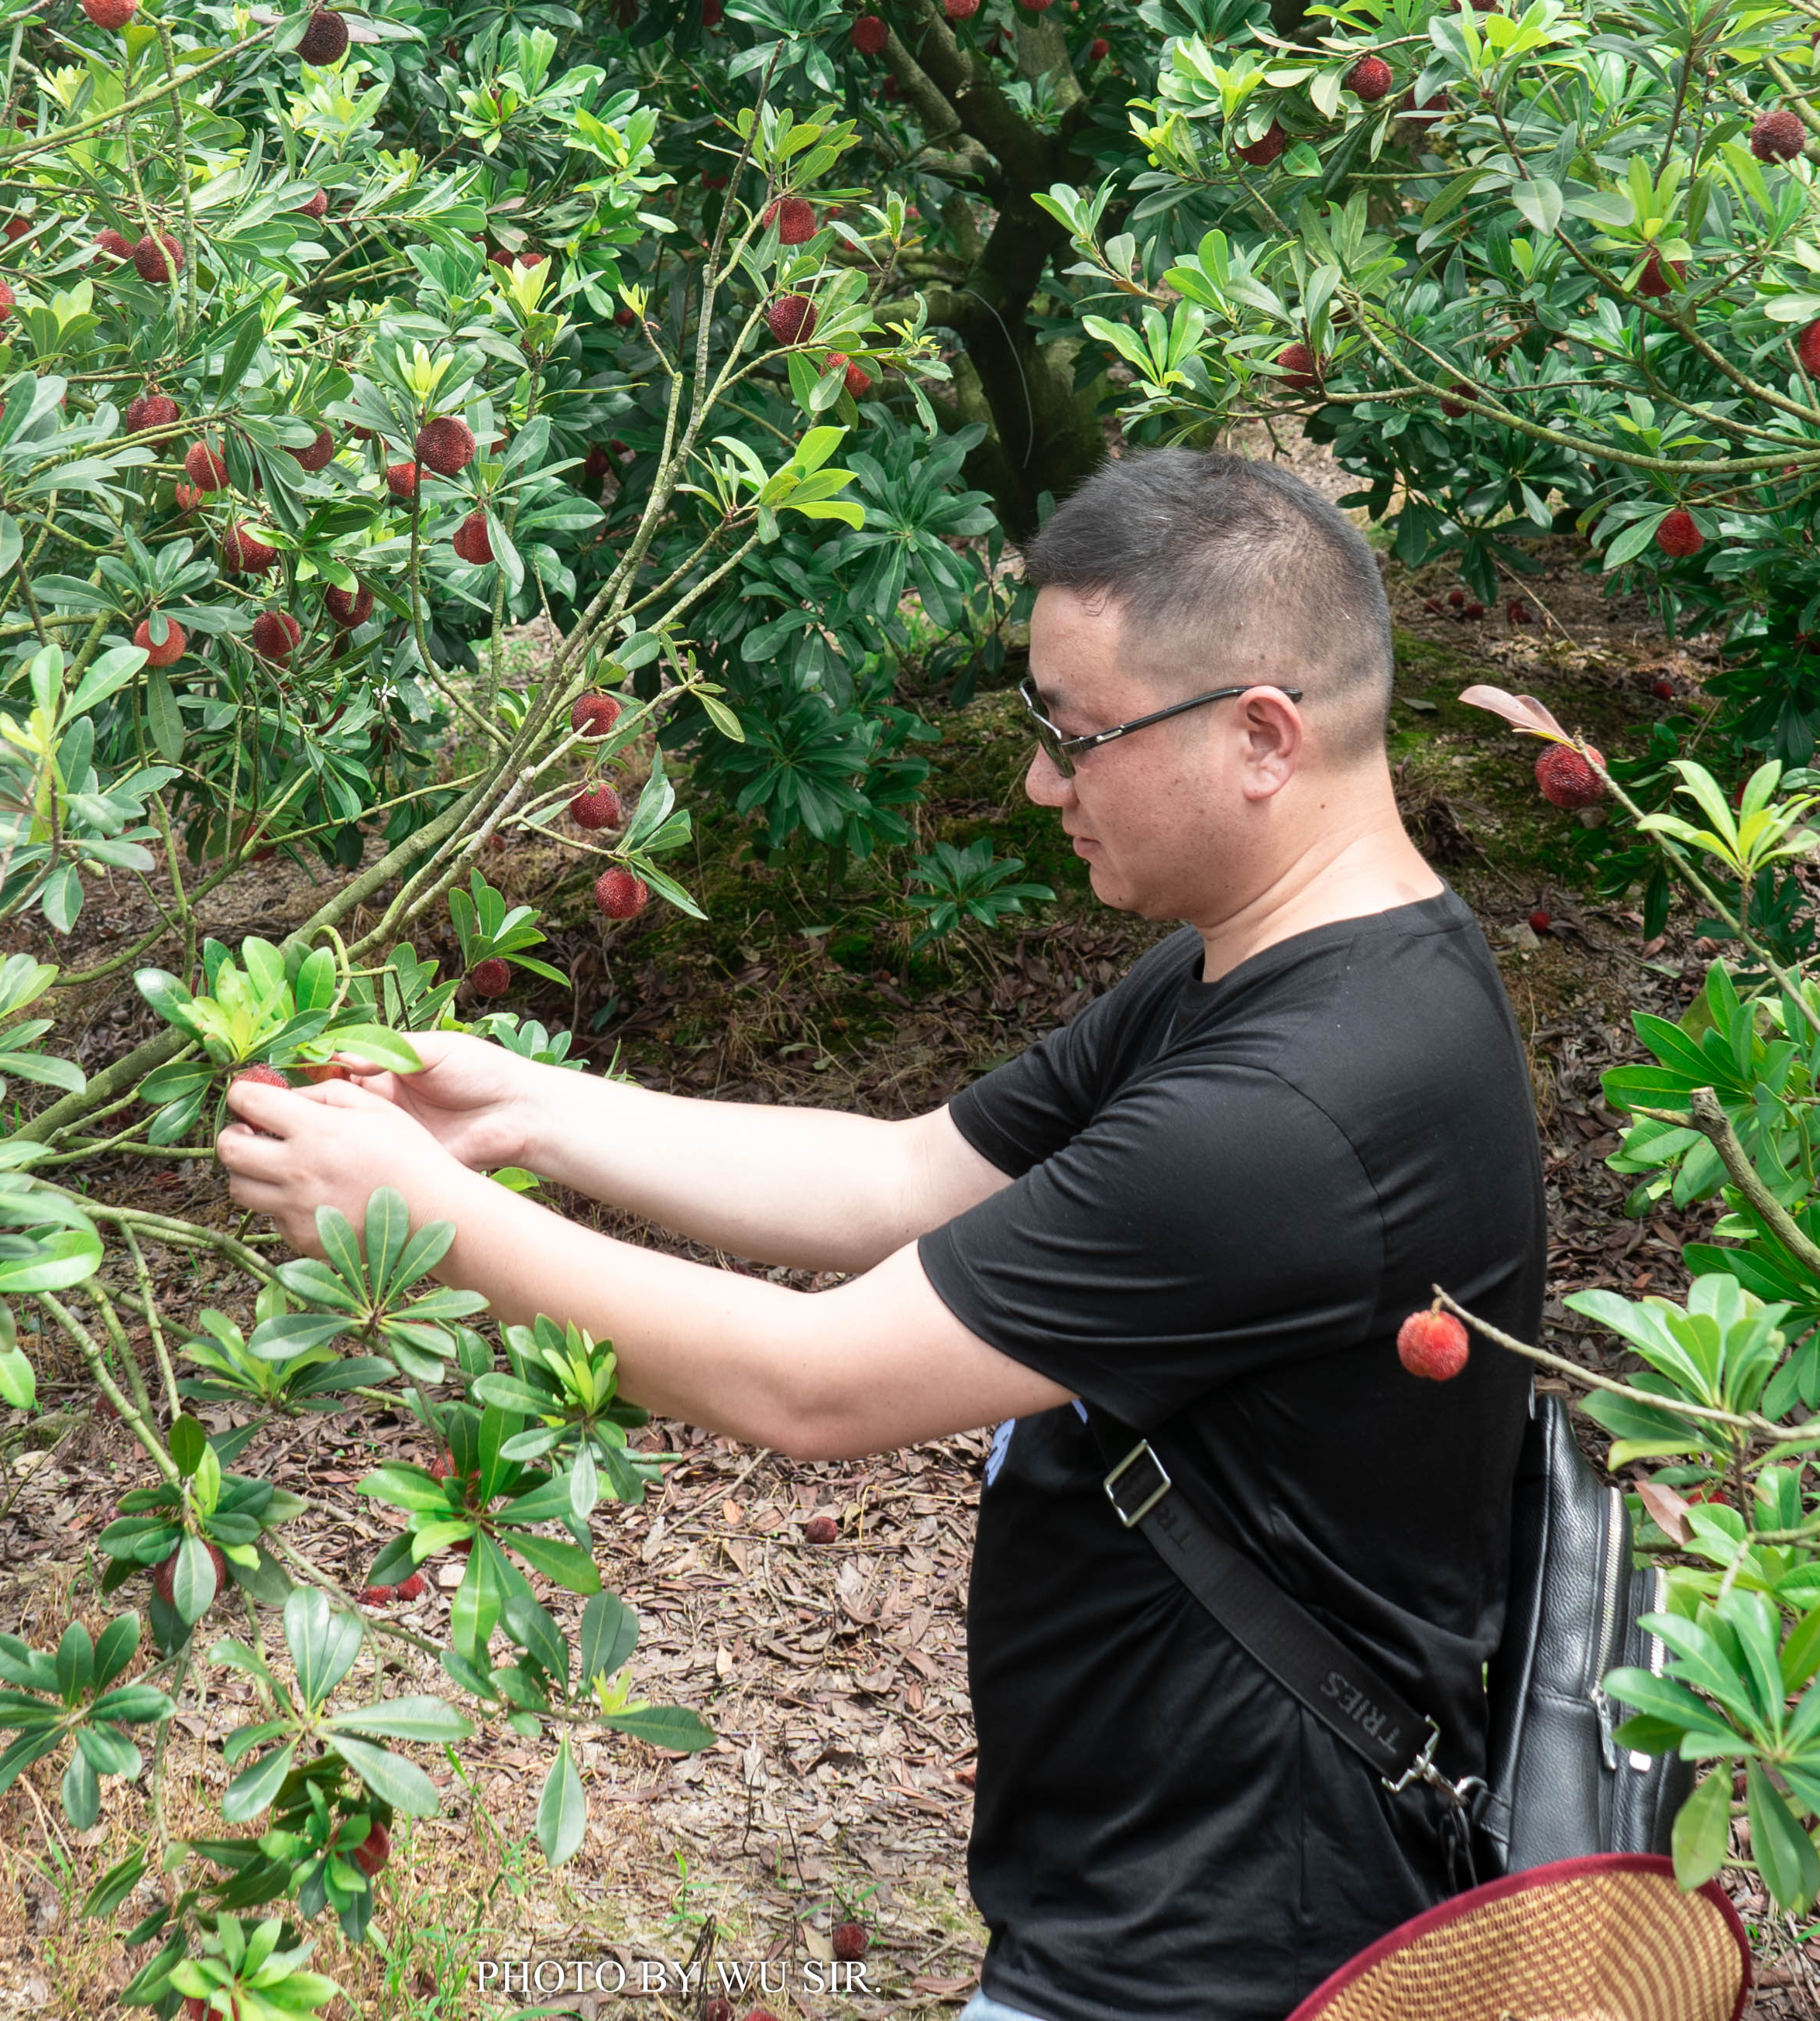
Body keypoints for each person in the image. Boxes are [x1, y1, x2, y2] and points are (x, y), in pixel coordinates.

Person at [217, 446, 1544, 2021]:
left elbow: (812, 1382)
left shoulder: (1294, 1114)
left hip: (1222, 1933)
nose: (1044, 780)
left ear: (1262, 732)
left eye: (1078, 733)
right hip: (1175, 1870)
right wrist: (525, 1112)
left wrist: (429, 1226)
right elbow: (900, 1175)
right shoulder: (1279, 970)